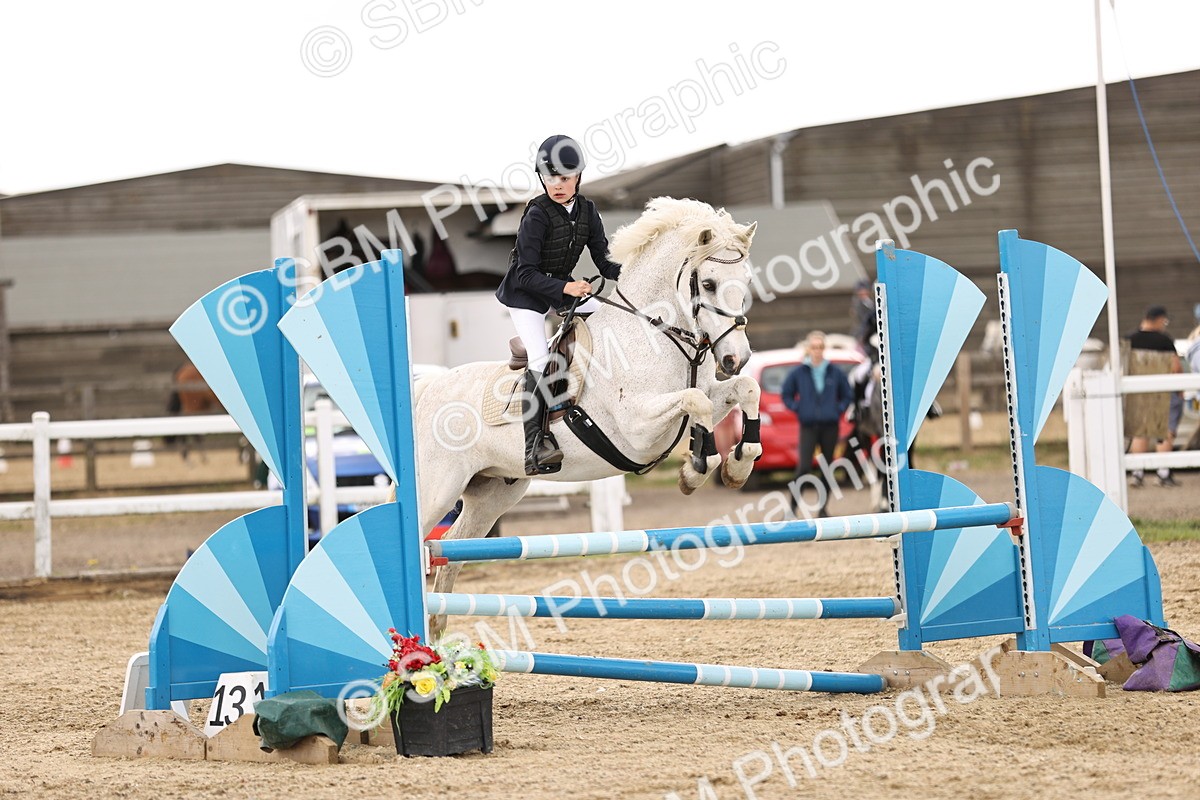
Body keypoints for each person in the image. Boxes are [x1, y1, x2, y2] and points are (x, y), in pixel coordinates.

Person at [495, 135, 623, 476]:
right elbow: (524, 274)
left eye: (564, 178)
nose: (557, 185)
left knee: (608, 317)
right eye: (550, 178)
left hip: (560, 291)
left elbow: (604, 260)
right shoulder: (537, 214)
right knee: (540, 359)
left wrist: (634, 273)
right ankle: (534, 444)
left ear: (578, 177)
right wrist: (567, 286)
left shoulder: (588, 211)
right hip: (525, 296)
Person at [781, 331, 854, 517]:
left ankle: (822, 509)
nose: (817, 351)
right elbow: (786, 394)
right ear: (808, 349)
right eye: (814, 347)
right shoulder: (799, 373)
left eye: (821, 347)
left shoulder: (834, 372)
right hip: (808, 426)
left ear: (824, 349)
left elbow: (847, 395)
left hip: (830, 426)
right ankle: (792, 509)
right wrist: (799, 407)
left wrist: (838, 409)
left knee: (827, 468)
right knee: (804, 467)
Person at [1125, 305, 1182, 487]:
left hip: (1137, 393)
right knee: (1164, 431)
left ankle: (1137, 472)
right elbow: (1175, 367)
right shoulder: (1164, 340)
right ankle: (1163, 472)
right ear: (1159, 320)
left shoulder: (1129, 339)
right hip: (1162, 393)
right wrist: (1180, 388)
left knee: (1140, 432)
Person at [850, 279, 878, 362]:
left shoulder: (871, 302)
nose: (863, 294)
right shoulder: (858, 305)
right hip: (865, 334)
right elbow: (864, 321)